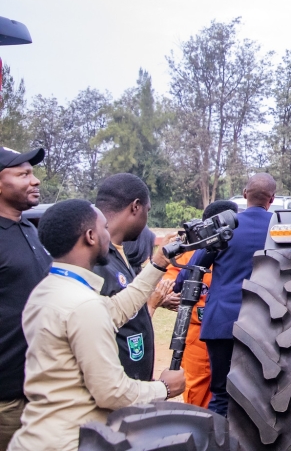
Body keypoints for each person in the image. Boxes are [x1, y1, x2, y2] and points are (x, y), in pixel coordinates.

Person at [7, 200, 185, 451]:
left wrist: (157, 264)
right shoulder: (82, 305)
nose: (108, 234)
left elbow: (117, 308)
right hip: (71, 442)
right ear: (90, 236)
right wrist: (164, 388)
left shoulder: (51, 288)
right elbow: (112, 392)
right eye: (104, 228)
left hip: (42, 435)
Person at [190, 173, 276, 416]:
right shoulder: (280, 227)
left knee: (221, 394)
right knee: (262, 395)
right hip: (266, 325)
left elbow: (194, 267)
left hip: (221, 323)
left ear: (244, 194)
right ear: (272, 198)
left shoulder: (225, 227)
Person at [166, 199, 238, 408]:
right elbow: (169, 284)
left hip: (229, 332)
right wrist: (167, 297)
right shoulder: (192, 252)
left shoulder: (237, 251)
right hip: (197, 334)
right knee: (198, 390)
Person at [0, 147, 49, 450]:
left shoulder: (30, 229)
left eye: (32, 173)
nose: (35, 180)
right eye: (23, 174)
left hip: (36, 391)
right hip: (4, 399)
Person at [93, 174, 160, 381]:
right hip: (115, 392)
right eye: (147, 211)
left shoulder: (121, 254)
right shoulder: (97, 261)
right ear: (136, 207)